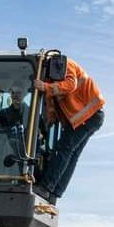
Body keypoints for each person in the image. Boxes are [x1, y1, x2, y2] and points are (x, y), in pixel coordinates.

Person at [34, 58, 105, 199]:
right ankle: (55, 192)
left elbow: (70, 85)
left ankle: (46, 187)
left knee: (64, 150)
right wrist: (47, 125)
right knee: (72, 154)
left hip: (89, 115)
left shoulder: (63, 64)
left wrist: (44, 87)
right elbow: (52, 107)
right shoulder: (51, 76)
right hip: (89, 117)